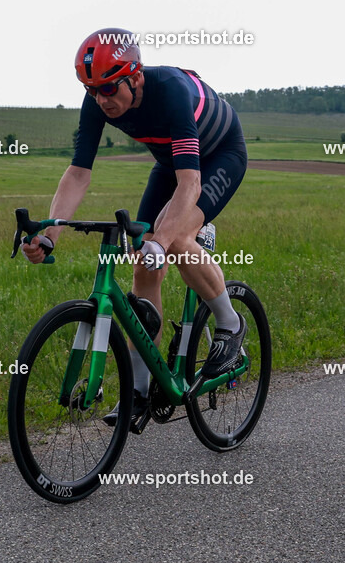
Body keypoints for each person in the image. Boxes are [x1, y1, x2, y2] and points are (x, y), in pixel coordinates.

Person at [22, 27, 249, 428]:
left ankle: (231, 325)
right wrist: (50, 233)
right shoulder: (98, 101)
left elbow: (190, 184)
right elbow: (78, 173)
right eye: (92, 90)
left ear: (136, 76)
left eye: (109, 88)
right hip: (171, 162)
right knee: (144, 263)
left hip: (219, 156)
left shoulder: (172, 91)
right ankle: (140, 392)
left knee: (174, 239)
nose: (101, 99)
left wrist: (163, 240)